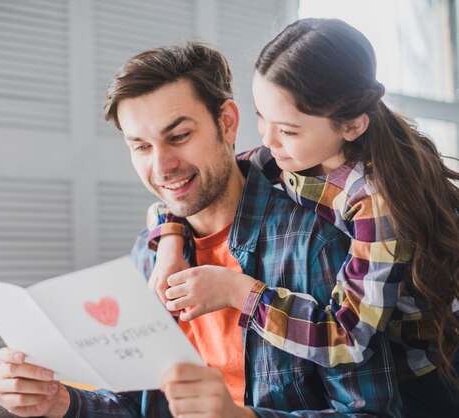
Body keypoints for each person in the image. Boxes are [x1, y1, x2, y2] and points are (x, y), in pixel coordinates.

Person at [0, 41, 402, 418]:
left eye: (178, 136)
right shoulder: (150, 253)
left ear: (227, 123)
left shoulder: (316, 240)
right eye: (141, 146)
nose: (161, 166)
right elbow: (134, 403)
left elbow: (371, 411)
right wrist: (61, 403)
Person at [146, 18, 459, 418]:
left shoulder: (377, 206)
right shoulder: (287, 155)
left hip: (420, 376)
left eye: (288, 130)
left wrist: (237, 292)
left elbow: (346, 339)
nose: (266, 139)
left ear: (351, 125)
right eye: (262, 116)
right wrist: (171, 241)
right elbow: (203, 186)